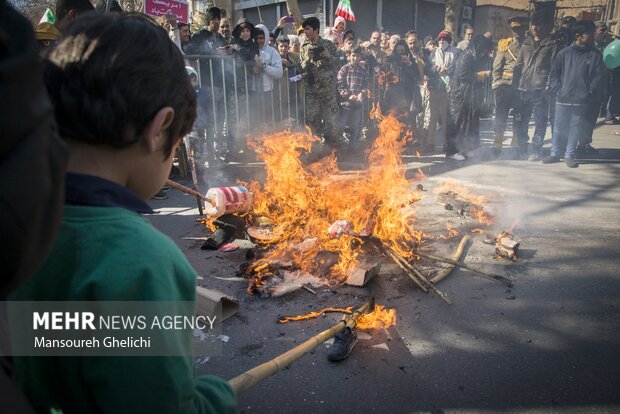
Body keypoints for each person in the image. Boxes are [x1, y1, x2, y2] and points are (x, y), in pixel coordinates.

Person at [8, 14, 237, 413]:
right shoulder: (140, 263)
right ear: (160, 127)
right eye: (178, 139)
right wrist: (216, 398)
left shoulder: (18, 224)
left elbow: (62, 336)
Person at [542, 20, 604, 168]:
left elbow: (598, 75)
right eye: (590, 33)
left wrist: (589, 91)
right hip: (563, 97)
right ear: (578, 36)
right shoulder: (564, 53)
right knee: (558, 127)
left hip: (582, 99)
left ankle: (570, 155)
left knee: (575, 127)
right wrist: (558, 89)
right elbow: (554, 73)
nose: (593, 36)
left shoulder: (595, 55)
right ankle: (555, 153)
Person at [514, 12, 559, 161]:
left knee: (540, 121)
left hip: (541, 88)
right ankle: (522, 147)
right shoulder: (526, 42)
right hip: (524, 87)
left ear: (546, 26)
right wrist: (516, 84)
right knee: (521, 120)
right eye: (533, 24)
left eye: (538, 24)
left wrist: (549, 84)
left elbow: (554, 67)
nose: (534, 27)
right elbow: (519, 65)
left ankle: (536, 149)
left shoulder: (551, 43)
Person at [445, 35, 493, 160]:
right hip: (460, 96)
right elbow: (464, 75)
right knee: (457, 123)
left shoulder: (474, 56)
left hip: (468, 96)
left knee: (467, 123)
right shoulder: (467, 56)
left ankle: (464, 149)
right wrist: (483, 74)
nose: (485, 53)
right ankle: (451, 151)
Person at [300, 16, 343, 148]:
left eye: (307, 29)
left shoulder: (328, 45)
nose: (305, 32)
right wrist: (307, 59)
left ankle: (335, 153)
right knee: (313, 124)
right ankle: (317, 153)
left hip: (328, 90)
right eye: (304, 30)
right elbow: (301, 67)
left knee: (332, 124)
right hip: (312, 90)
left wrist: (329, 57)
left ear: (316, 29)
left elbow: (339, 63)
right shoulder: (304, 46)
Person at [492, 16, 529, 156]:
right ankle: (497, 144)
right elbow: (497, 67)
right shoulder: (505, 45)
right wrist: (496, 85)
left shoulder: (529, 45)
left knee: (518, 117)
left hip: (521, 87)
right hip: (505, 86)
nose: (517, 32)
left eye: (519, 29)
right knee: (501, 116)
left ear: (524, 29)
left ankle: (515, 144)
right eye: (514, 29)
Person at [425, 30, 460, 153]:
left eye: (444, 39)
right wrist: (438, 69)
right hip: (435, 88)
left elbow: (457, 67)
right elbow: (428, 68)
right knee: (433, 117)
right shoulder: (434, 53)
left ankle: (446, 144)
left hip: (448, 89)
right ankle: (430, 143)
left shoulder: (456, 52)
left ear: (449, 41)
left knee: (445, 118)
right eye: (439, 39)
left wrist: (447, 71)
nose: (441, 41)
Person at [250, 24, 283, 126]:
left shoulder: (272, 52)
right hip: (253, 92)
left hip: (268, 93)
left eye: (261, 38)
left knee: (268, 122)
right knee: (255, 121)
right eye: (256, 38)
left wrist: (263, 66)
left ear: (266, 37)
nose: (259, 41)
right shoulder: (250, 50)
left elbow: (279, 72)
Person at [337, 46, 369, 147]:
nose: (355, 58)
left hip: (357, 104)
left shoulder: (363, 70)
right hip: (345, 103)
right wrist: (348, 95)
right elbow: (340, 85)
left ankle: (352, 148)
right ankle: (339, 146)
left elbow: (365, 84)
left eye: (357, 56)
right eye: (353, 56)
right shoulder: (344, 69)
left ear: (360, 57)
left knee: (355, 126)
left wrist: (362, 93)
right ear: (349, 56)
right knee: (341, 126)